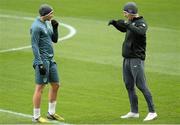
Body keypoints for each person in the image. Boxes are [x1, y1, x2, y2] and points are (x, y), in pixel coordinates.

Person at [108, 2, 157, 121]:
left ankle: (152, 112)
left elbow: (139, 32)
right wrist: (115, 23)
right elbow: (125, 29)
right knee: (129, 85)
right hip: (127, 58)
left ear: (131, 12)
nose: (124, 15)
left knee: (141, 85)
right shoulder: (130, 22)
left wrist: (127, 24)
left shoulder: (142, 23)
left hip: (136, 59)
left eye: (126, 13)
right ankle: (134, 111)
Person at [30, 4, 64, 123]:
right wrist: (39, 63)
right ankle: (36, 116)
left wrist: (55, 28)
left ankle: (51, 113)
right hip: (42, 60)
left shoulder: (47, 24)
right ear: (45, 14)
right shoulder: (36, 27)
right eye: (51, 13)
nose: (53, 15)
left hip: (51, 59)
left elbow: (54, 40)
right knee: (40, 87)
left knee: (56, 85)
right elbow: (34, 46)